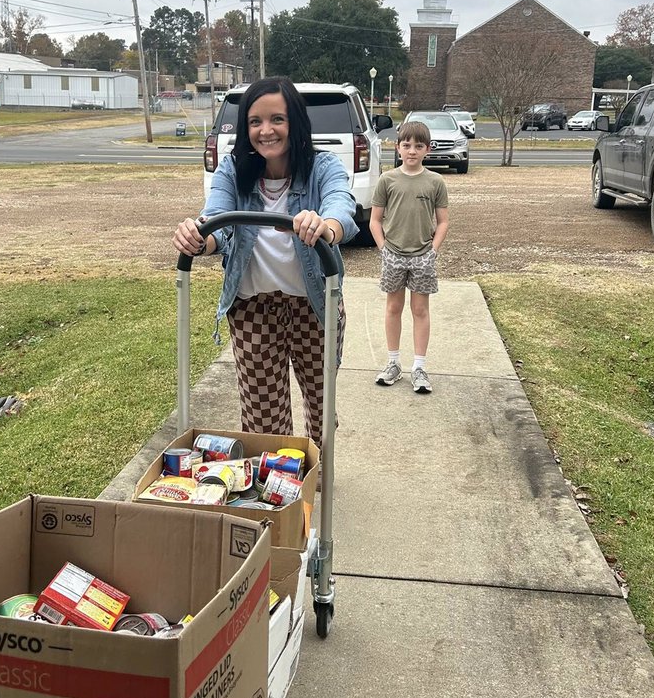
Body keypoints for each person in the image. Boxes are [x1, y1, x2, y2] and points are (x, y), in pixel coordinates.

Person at [173, 76, 356, 445]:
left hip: (314, 308)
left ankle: (319, 471)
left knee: (321, 410)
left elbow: (341, 205)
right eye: (255, 121)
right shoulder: (232, 170)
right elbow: (217, 220)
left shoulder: (323, 166)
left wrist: (326, 226)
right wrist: (199, 237)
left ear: (295, 123)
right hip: (253, 310)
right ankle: (279, 479)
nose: (265, 130)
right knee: (263, 421)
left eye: (277, 119)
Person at [369, 120, 449, 394]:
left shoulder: (435, 182)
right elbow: (375, 220)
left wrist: (433, 250)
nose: (412, 151)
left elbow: (443, 222)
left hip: (422, 256)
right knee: (393, 307)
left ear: (427, 149)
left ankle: (419, 367)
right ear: (398, 148)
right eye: (407, 145)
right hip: (393, 254)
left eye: (418, 146)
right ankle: (393, 363)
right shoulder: (387, 180)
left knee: (420, 310)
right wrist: (383, 248)